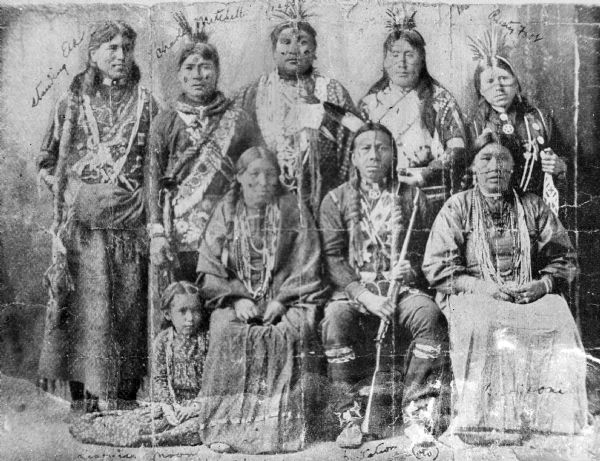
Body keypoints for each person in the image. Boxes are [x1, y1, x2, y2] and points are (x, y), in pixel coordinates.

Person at [422, 131, 587, 445]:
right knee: (483, 323)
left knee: (560, 319)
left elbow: (565, 256)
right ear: (473, 168)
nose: (494, 165)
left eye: (502, 158)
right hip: (471, 293)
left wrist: (544, 284)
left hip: (525, 290)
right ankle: (485, 423)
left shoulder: (532, 205)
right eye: (485, 158)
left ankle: (551, 421)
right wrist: (484, 288)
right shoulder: (457, 207)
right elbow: (436, 267)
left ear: (514, 166)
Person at [37, 20, 156, 411]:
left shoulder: (147, 103)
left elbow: (161, 165)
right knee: (87, 314)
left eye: (126, 48)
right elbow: (46, 161)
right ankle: (83, 401)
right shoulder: (71, 103)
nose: (121, 56)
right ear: (93, 54)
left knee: (127, 311)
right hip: (84, 232)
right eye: (112, 48)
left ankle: (123, 399)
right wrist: (71, 193)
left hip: (129, 229)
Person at [319, 122, 447, 448]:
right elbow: (333, 259)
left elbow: (429, 251)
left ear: (394, 155)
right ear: (353, 157)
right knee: (335, 320)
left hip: (400, 290)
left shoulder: (415, 198)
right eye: (365, 149)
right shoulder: (335, 200)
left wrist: (412, 267)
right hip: (354, 291)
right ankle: (347, 416)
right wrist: (364, 295)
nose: (374, 155)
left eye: (382, 148)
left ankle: (417, 413)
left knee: (428, 315)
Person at [194, 146, 326, 454]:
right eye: (255, 174)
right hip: (235, 299)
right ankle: (224, 429)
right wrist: (237, 298)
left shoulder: (293, 208)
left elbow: (308, 262)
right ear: (239, 177)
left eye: (270, 173)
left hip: (290, 299)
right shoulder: (227, 210)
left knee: (292, 333)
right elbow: (209, 266)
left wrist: (281, 300)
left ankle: (279, 432)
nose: (264, 181)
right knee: (227, 331)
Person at [148, 15, 256, 282]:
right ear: (179, 74)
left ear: (217, 71)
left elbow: (254, 171)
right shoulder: (165, 120)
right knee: (184, 307)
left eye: (205, 66)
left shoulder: (238, 118)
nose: (198, 75)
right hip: (177, 232)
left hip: (227, 229)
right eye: (189, 67)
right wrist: (157, 232)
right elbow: (152, 177)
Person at [234, 5, 355, 213]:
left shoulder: (332, 91)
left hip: (324, 199)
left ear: (314, 51)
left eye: (302, 42)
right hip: (266, 201)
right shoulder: (251, 94)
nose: (293, 50)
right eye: (286, 42)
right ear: (274, 50)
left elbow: (351, 146)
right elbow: (236, 149)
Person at [69, 281, 208, 447]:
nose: (190, 318)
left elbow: (212, 383)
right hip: (170, 408)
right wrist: (170, 408)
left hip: (199, 408)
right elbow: (159, 380)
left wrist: (193, 408)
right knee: (137, 424)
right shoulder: (163, 341)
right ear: (167, 314)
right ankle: (151, 435)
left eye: (195, 311)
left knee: (199, 427)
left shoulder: (207, 341)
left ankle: (159, 439)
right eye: (183, 311)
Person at [359, 10, 467, 213]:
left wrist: (427, 172)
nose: (401, 63)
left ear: (422, 60)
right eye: (394, 55)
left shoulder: (440, 99)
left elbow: (457, 149)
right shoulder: (370, 104)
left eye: (409, 54)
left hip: (431, 197)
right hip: (381, 198)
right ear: (385, 61)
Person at [468, 28, 567, 215]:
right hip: (493, 214)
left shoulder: (541, 119)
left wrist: (560, 166)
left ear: (516, 83)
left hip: (536, 212)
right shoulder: (474, 126)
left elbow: (568, 161)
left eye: (504, 79)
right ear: (480, 89)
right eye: (489, 81)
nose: (498, 87)